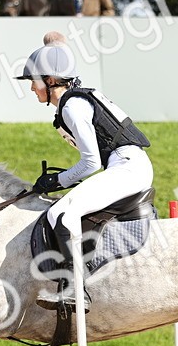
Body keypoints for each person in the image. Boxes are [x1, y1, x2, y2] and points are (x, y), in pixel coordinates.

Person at [14, 32, 153, 311]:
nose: (32, 89)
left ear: (51, 81)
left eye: (34, 82)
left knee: (61, 213)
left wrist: (56, 180)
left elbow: (90, 163)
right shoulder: (75, 100)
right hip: (126, 165)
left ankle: (75, 288)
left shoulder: (73, 107)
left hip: (127, 167)